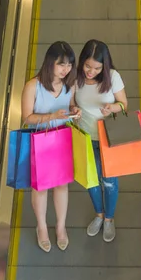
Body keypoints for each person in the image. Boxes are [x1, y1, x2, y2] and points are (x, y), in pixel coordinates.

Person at [21, 41, 81, 252]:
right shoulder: (33, 86)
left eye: (69, 65)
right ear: (50, 63)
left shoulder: (70, 84)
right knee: (41, 186)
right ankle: (42, 227)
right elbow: (27, 118)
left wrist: (75, 110)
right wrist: (51, 116)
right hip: (41, 139)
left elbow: (70, 104)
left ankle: (61, 227)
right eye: (61, 65)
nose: (66, 70)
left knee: (62, 185)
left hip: (63, 136)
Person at [75, 39, 128, 242]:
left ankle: (109, 219)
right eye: (87, 66)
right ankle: (99, 214)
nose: (91, 71)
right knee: (91, 181)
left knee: (109, 182)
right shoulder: (75, 77)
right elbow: (71, 102)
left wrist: (112, 108)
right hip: (84, 137)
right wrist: (74, 110)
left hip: (108, 137)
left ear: (104, 66)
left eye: (97, 68)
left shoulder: (113, 77)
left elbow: (123, 104)